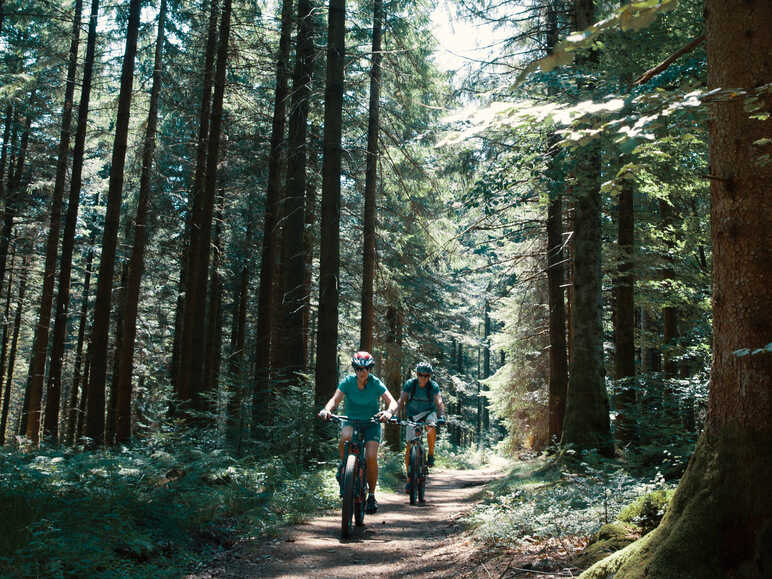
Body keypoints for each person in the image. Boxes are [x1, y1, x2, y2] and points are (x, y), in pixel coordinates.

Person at [319, 351, 398, 515]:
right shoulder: (348, 382)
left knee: (370, 456)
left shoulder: (376, 383)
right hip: (351, 420)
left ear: (370, 369)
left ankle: (371, 495)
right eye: (359, 369)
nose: (362, 372)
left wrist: (389, 412)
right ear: (355, 369)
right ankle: (344, 468)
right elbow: (335, 399)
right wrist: (327, 410)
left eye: (366, 369)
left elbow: (392, 401)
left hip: (371, 423)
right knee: (345, 436)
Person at [394, 361, 446, 472]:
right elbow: (401, 401)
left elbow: (439, 402)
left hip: (428, 413)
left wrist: (442, 416)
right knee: (409, 446)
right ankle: (409, 478)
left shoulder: (433, 386)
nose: (423, 378)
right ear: (417, 374)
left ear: (430, 376)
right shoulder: (410, 384)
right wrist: (395, 415)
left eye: (426, 376)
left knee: (430, 427)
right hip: (413, 415)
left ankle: (431, 454)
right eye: (420, 375)